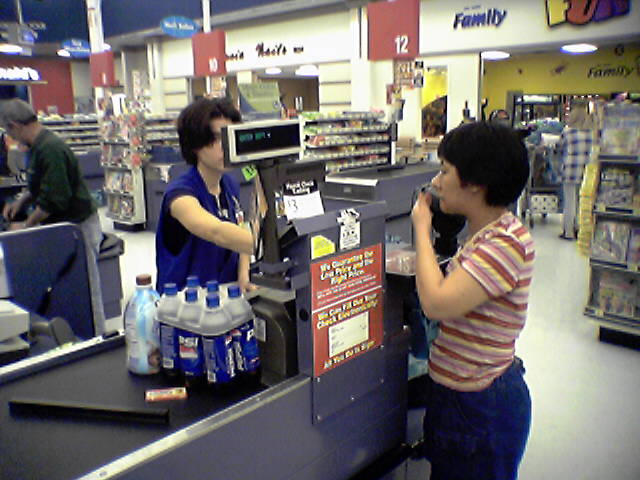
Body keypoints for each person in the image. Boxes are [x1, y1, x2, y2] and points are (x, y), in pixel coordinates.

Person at [411, 122, 535, 480]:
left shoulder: (505, 244)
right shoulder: (487, 235)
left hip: (480, 406)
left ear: (476, 183)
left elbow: (435, 303)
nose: (436, 181)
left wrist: (421, 227)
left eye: (445, 171)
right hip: (460, 397)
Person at [0, 98, 105, 333]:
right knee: (67, 285)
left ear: (15, 126)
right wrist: (23, 200)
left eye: (9, 131)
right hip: (62, 228)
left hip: (78, 227)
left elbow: (54, 200)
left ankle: (96, 337)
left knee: (87, 287)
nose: (11, 138)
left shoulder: (51, 148)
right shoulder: (38, 146)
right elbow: (41, 184)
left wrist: (25, 226)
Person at [155, 98, 254, 294]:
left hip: (226, 298)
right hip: (185, 309)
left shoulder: (230, 184)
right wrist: (275, 246)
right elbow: (217, 231)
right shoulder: (180, 196)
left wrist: (244, 273)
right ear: (194, 144)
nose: (225, 146)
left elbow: (240, 227)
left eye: (230, 137)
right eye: (217, 139)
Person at [556, 107, 594, 240]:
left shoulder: (568, 131)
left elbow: (559, 146)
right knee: (581, 201)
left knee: (569, 202)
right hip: (586, 170)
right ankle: (579, 229)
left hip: (570, 169)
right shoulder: (591, 133)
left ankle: (568, 232)